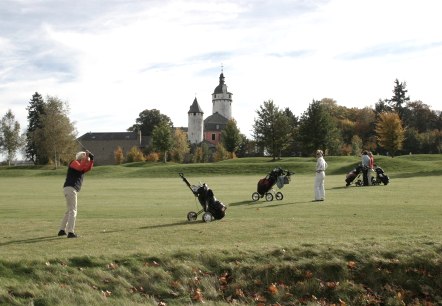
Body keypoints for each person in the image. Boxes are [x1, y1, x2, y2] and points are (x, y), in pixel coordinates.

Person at [58, 150, 94, 238]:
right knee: (73, 211)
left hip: (70, 189)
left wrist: (92, 160)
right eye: (85, 158)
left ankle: (62, 230)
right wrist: (86, 158)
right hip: (70, 188)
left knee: (69, 211)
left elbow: (87, 168)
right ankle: (70, 232)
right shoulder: (74, 163)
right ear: (81, 158)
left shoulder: (81, 166)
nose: (86, 160)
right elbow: (80, 167)